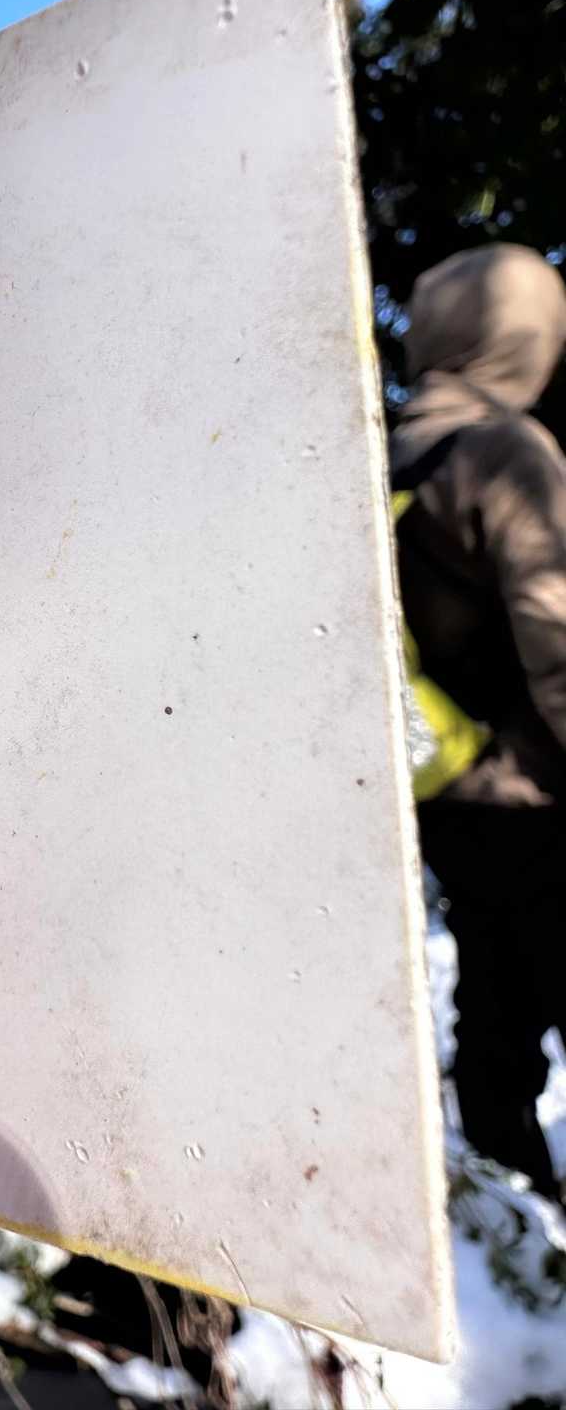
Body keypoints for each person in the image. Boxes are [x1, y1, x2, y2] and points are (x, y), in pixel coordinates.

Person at [391, 242, 566, 1203]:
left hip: (442, 784)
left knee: (496, 1006)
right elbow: (556, 636)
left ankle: (512, 1208)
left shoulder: (381, 452)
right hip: (536, 790)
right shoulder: (505, 449)